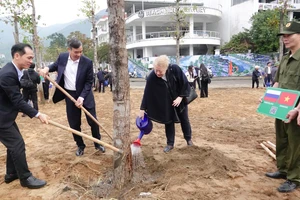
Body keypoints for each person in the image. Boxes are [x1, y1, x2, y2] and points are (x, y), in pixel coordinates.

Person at [39, 38, 105, 156]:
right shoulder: (63, 57)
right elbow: (55, 65)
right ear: (69, 50)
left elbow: (89, 82)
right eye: (76, 52)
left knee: (93, 121)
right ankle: (80, 145)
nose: (79, 54)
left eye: (81, 52)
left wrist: (82, 97)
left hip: (85, 95)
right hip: (70, 95)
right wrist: (46, 68)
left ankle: (98, 143)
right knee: (74, 123)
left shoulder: (87, 62)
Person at [0, 43, 48, 189]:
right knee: (17, 144)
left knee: (14, 144)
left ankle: (11, 173)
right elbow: (17, 100)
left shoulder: (14, 70)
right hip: (1, 117)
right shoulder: (8, 74)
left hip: (5, 115)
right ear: (17, 56)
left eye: (32, 58)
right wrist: (38, 114)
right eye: (28, 57)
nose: (31, 61)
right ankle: (26, 178)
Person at [264, 20, 300, 193]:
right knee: (282, 139)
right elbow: (277, 83)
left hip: (296, 110)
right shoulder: (285, 59)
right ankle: (283, 169)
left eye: (289, 35)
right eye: (283, 36)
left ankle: (294, 178)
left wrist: (298, 109)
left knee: (296, 143)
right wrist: (268, 98)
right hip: (282, 107)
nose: (285, 39)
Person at [138, 55, 193, 153]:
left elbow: (184, 83)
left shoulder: (174, 69)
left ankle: (188, 140)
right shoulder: (152, 77)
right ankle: (170, 144)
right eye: (156, 70)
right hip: (166, 103)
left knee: (184, 119)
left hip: (180, 100)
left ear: (166, 68)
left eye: (160, 71)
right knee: (168, 122)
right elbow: (147, 93)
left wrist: (180, 97)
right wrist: (142, 108)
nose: (158, 73)